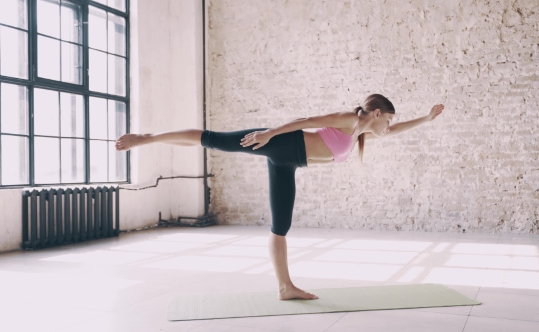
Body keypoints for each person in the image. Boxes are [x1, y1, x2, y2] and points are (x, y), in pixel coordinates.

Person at [115, 94, 444, 300]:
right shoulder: (349, 120)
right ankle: (147, 138)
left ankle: (285, 287)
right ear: (375, 113)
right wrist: (269, 132)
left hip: (289, 163)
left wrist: (427, 119)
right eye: (387, 120)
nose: (389, 127)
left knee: (280, 227)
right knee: (213, 139)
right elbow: (307, 121)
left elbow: (397, 132)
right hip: (280, 143)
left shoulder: (362, 133)